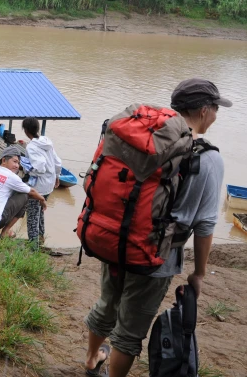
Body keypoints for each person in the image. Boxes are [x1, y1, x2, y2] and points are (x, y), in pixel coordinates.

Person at [83, 78, 230, 377]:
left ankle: (90, 360)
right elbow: (205, 224)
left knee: (107, 303)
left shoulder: (143, 135)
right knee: (130, 329)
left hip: (113, 237)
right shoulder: (208, 157)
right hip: (156, 257)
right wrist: (199, 273)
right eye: (216, 109)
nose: (216, 115)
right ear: (203, 111)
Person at [21, 117, 62, 247]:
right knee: (40, 210)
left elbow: (40, 167)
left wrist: (26, 169)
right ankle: (41, 237)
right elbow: (57, 162)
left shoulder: (31, 147)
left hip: (38, 186)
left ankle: (34, 246)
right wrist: (57, 176)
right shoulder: (47, 142)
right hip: (49, 184)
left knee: (32, 215)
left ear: (26, 130)